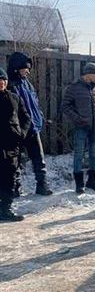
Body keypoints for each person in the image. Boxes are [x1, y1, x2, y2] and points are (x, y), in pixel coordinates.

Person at [7, 52, 52, 196]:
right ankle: (15, 187)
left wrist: (40, 116)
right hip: (18, 129)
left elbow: (35, 102)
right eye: (25, 68)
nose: (28, 70)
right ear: (16, 68)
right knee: (15, 161)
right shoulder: (10, 84)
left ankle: (42, 185)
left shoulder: (27, 83)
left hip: (33, 127)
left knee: (39, 158)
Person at [61, 63, 95, 194]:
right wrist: (78, 119)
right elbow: (65, 106)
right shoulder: (74, 87)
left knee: (94, 154)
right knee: (79, 155)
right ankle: (79, 185)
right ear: (89, 74)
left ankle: (92, 182)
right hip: (81, 127)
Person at [0, 68, 31, 222]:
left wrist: (22, 133)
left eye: (3, 80)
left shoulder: (15, 98)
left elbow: (26, 118)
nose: (1, 83)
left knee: (9, 178)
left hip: (12, 145)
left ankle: (5, 209)